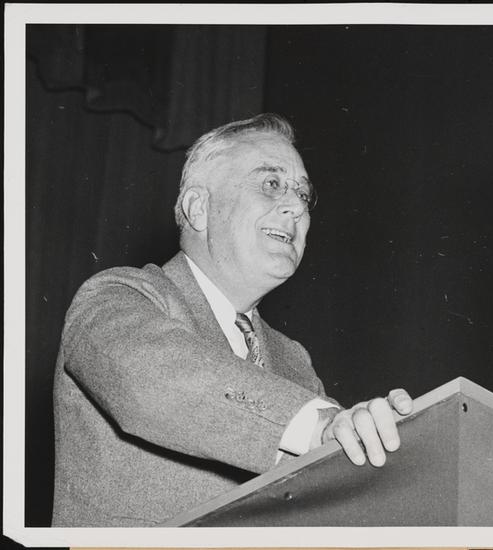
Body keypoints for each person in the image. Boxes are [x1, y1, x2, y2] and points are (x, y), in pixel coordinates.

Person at [52, 113, 413, 527]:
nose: (297, 206)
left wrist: (380, 446)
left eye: (303, 194)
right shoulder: (117, 297)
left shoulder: (295, 361)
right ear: (199, 208)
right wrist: (319, 425)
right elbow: (150, 378)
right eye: (271, 183)